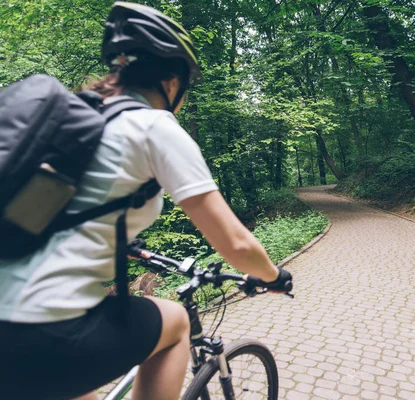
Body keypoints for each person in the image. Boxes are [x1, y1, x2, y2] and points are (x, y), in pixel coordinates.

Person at [0, 2, 291, 399]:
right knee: (175, 324)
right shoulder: (153, 125)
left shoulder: (80, 125)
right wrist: (275, 277)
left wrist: (124, 244)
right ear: (171, 82)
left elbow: (45, 218)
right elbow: (236, 243)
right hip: (46, 331)